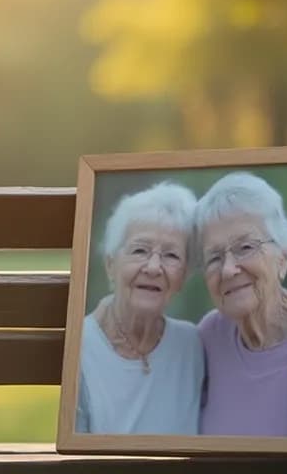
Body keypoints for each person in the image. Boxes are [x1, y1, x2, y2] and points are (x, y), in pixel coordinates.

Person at [75, 183, 204, 435]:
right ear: (111, 264)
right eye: (140, 250)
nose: (154, 267)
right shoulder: (79, 347)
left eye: (171, 255)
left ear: (183, 276)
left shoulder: (192, 345)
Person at [195, 172, 287, 436]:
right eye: (214, 257)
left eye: (245, 247)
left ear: (283, 258)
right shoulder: (209, 336)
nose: (228, 269)